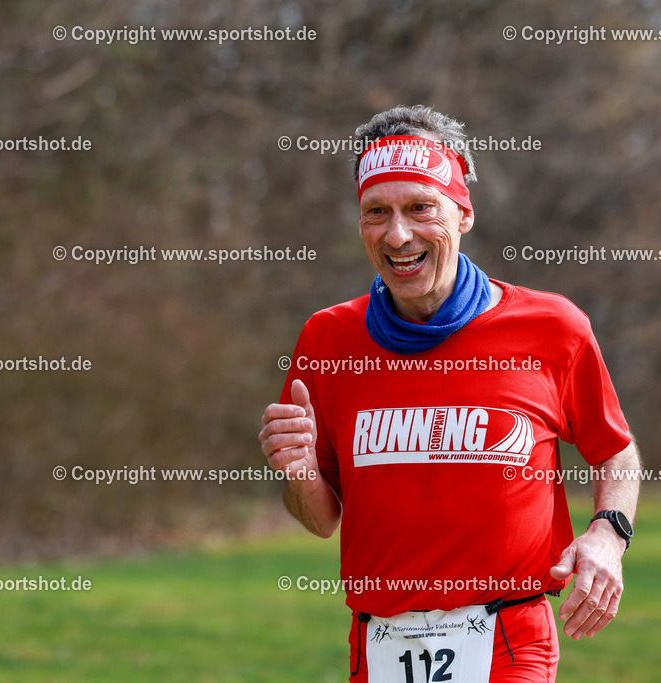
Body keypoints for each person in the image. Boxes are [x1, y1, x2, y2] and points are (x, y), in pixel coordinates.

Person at [259, 105, 641, 682]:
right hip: (378, 642)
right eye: (376, 213)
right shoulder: (327, 337)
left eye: (420, 208)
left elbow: (615, 450)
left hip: (509, 640)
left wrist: (608, 537)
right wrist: (295, 471)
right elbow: (320, 518)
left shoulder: (551, 327)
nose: (398, 234)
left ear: (463, 212)